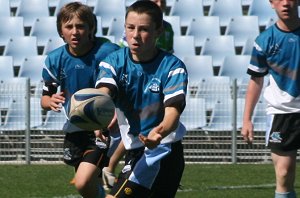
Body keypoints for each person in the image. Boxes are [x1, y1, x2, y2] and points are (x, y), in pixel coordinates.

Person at [96, 1, 188, 197]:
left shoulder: (172, 67)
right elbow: (104, 92)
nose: (135, 35)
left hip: (162, 150)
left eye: (144, 29)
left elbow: (172, 113)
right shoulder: (113, 62)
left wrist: (159, 133)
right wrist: (96, 114)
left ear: (159, 31)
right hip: (137, 150)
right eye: (130, 28)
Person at [40, 2, 119, 198]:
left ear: (91, 28)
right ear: (61, 31)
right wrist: (50, 101)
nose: (75, 32)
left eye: (81, 26)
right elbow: (44, 98)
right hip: (75, 128)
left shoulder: (108, 52)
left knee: (83, 182)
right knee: (89, 187)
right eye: (69, 26)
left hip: (103, 126)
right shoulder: (55, 59)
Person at [241, 0, 300, 197]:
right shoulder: (264, 40)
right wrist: (247, 119)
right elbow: (256, 80)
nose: (286, 3)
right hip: (281, 113)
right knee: (284, 173)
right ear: (271, 3)